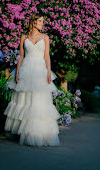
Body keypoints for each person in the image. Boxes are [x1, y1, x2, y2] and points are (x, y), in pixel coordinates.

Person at [3, 13, 60, 146]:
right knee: (24, 99)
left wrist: (48, 72)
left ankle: (39, 133)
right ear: (33, 22)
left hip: (40, 70)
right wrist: (17, 72)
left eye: (42, 21)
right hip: (26, 69)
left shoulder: (45, 37)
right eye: (40, 21)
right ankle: (23, 131)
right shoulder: (24, 37)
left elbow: (47, 57)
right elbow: (21, 56)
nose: (42, 24)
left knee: (38, 100)